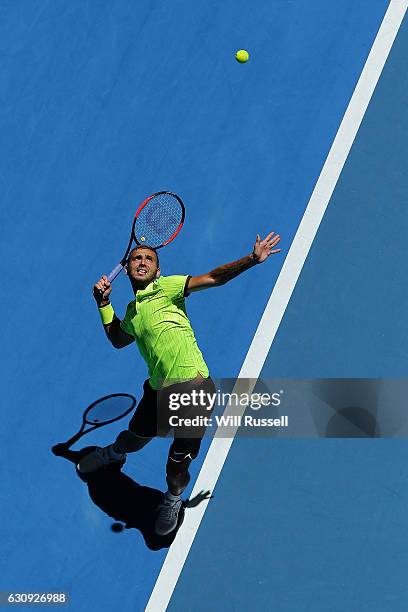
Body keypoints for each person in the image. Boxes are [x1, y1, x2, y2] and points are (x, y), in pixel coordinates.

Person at [78, 232, 281, 535]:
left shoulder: (168, 287)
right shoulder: (133, 312)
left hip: (194, 392)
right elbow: (118, 339)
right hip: (158, 392)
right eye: (136, 257)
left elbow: (213, 278)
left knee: (176, 466)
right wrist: (104, 303)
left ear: (157, 271)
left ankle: (173, 500)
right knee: (132, 440)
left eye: (149, 258)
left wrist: (251, 259)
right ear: (129, 268)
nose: (142, 260)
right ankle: (113, 454)